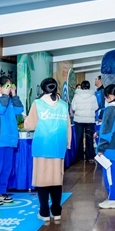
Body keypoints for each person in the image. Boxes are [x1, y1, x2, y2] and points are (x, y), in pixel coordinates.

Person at [23, 78, 71, 221]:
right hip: (58, 147)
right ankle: (56, 211)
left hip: (42, 146)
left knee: (42, 180)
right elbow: (68, 126)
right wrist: (68, 143)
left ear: (43, 89)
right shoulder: (63, 105)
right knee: (57, 179)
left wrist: (26, 119)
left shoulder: (37, 103)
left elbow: (29, 126)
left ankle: (44, 212)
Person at [0, 76, 24, 206]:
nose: (9, 88)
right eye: (6, 86)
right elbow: (0, 109)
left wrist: (14, 95)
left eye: (10, 86)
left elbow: (19, 110)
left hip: (10, 140)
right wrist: (6, 95)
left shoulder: (8, 100)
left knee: (7, 168)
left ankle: (1, 192)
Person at [71, 80, 98, 163]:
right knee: (89, 139)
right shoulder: (93, 96)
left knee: (79, 139)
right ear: (89, 86)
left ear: (81, 86)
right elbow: (96, 107)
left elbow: (73, 108)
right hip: (89, 120)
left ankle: (79, 157)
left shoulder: (76, 96)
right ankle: (90, 157)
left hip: (78, 120)